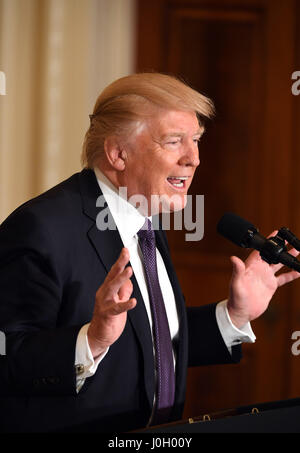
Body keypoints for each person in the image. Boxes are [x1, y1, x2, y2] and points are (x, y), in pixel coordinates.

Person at [0, 73, 299, 433]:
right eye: (174, 141)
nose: (194, 159)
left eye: (196, 141)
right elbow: (9, 358)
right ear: (118, 153)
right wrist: (91, 340)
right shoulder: (41, 227)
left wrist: (234, 315)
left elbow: (149, 345)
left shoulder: (144, 219)